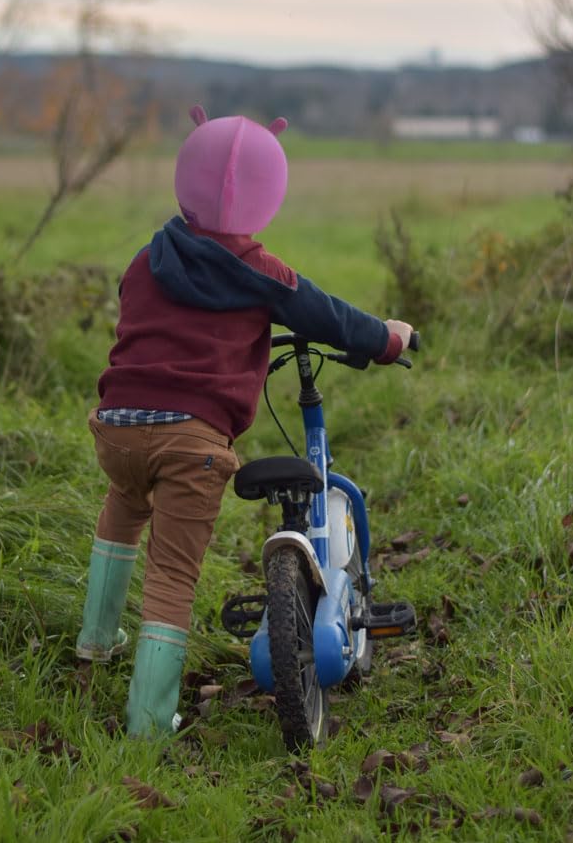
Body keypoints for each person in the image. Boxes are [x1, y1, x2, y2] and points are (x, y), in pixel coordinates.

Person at [75, 104, 414, 737]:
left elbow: (132, 314)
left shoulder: (148, 260)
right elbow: (331, 317)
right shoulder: (263, 274)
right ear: (267, 196)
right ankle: (149, 722)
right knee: (172, 575)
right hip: (191, 443)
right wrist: (387, 340)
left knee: (123, 508)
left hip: (117, 425)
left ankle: (96, 641)